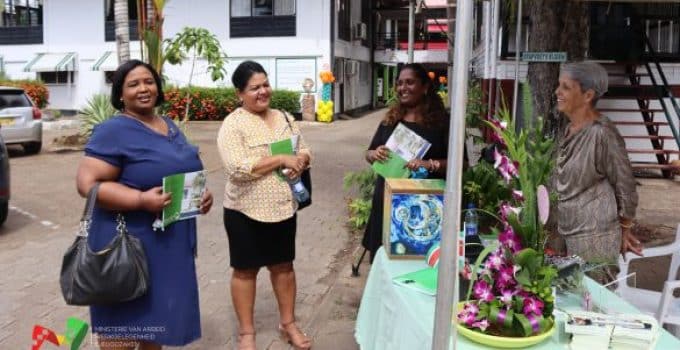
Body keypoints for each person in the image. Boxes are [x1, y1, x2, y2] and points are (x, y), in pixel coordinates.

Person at [75, 59, 213, 349]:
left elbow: (181, 169)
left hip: (168, 244)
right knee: (121, 330)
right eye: (133, 84)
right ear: (120, 94)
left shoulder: (168, 125)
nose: (143, 88)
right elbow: (87, 185)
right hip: (126, 247)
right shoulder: (112, 130)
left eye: (148, 81)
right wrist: (139, 200)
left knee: (156, 327)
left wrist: (200, 196)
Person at [217, 61, 312, 350]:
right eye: (254, 88)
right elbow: (236, 168)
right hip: (244, 211)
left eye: (265, 84)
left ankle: (288, 324)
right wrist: (281, 160)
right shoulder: (233, 124)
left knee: (284, 267)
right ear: (239, 94)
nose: (263, 92)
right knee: (245, 270)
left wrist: (301, 161)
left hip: (283, 206)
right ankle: (247, 334)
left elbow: (304, 148)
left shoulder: (283, 116)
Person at [554, 61, 642, 270]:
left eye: (566, 87)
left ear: (588, 96)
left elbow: (626, 185)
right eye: (559, 85)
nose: (558, 92)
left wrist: (625, 228)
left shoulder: (602, 134)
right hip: (568, 232)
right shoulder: (569, 129)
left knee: (593, 300)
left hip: (595, 238)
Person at [362, 63, 449, 261]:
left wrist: (429, 164)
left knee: (418, 259)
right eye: (400, 83)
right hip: (388, 199)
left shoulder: (443, 123)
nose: (403, 88)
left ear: (425, 87)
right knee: (384, 257)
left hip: (425, 205)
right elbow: (368, 152)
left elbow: (462, 165)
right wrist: (374, 154)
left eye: (410, 82)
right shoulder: (391, 120)